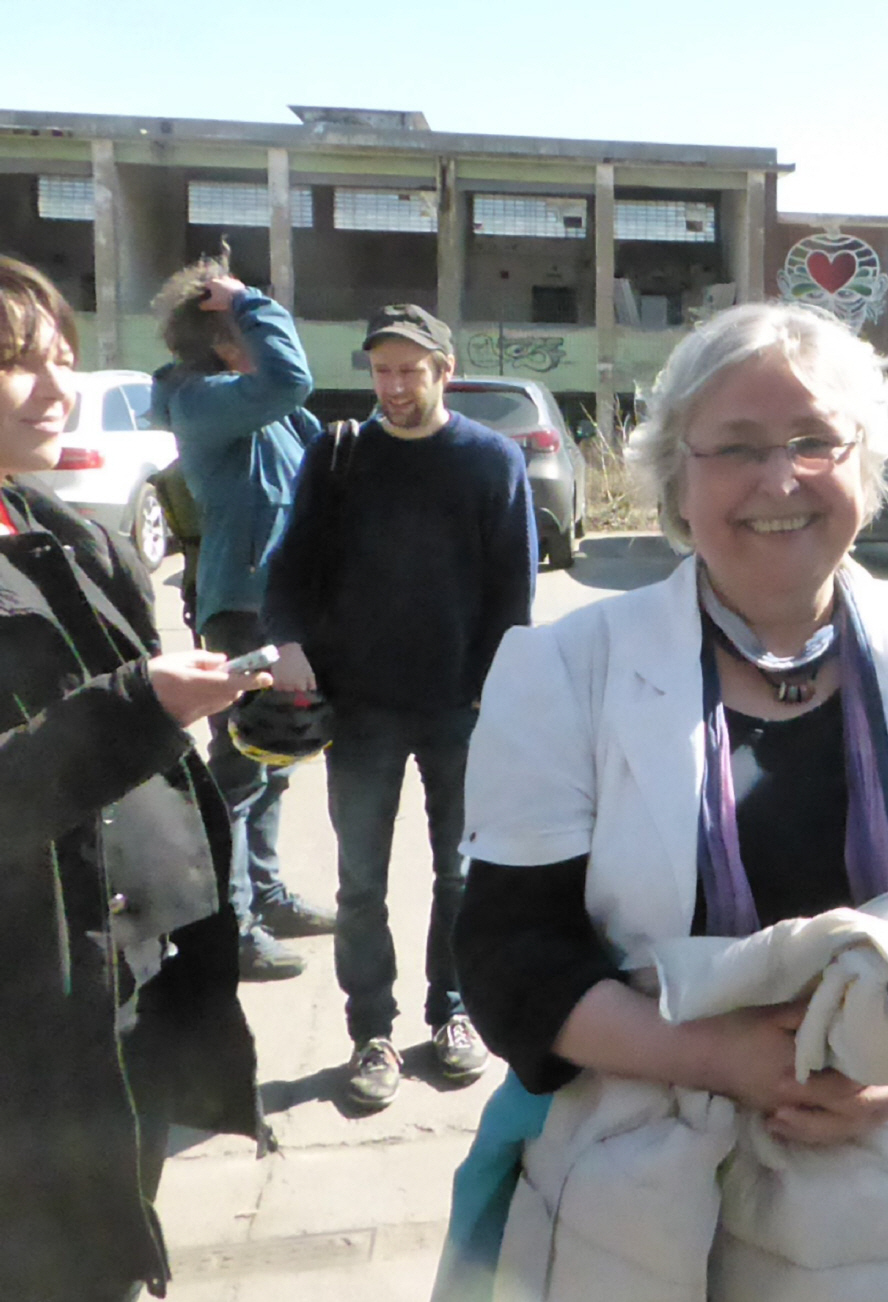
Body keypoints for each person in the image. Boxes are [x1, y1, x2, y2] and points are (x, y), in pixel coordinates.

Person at [437, 302, 888, 1300]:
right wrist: (719, 1057)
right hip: (634, 1169)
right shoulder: (562, 669)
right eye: (736, 447)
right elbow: (510, 953)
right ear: (676, 480)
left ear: (865, 465)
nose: (780, 480)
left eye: (815, 441)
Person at [0, 255, 268, 1300]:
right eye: (17, 363)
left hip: (132, 975)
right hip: (31, 1013)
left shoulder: (66, 533)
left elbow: (141, 731)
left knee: (117, 1227)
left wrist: (241, 704)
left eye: (63, 358)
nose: (55, 388)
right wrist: (140, 705)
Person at [264, 304, 538, 1111]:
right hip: (360, 708)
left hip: (459, 707)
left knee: (461, 874)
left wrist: (501, 691)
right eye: (382, 370)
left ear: (444, 372)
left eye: (409, 371)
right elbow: (291, 563)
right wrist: (286, 641)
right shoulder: (339, 455)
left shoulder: (490, 461)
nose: (392, 386)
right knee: (360, 883)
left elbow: (514, 592)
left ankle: (453, 1013)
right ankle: (370, 1032)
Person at [151, 258, 335, 981]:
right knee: (240, 768)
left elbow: (319, 455)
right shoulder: (203, 401)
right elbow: (292, 378)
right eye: (246, 326)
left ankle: (266, 894)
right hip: (244, 609)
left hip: (282, 605)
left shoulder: (262, 412)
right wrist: (250, 300)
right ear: (224, 344)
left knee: (276, 758)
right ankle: (230, 928)